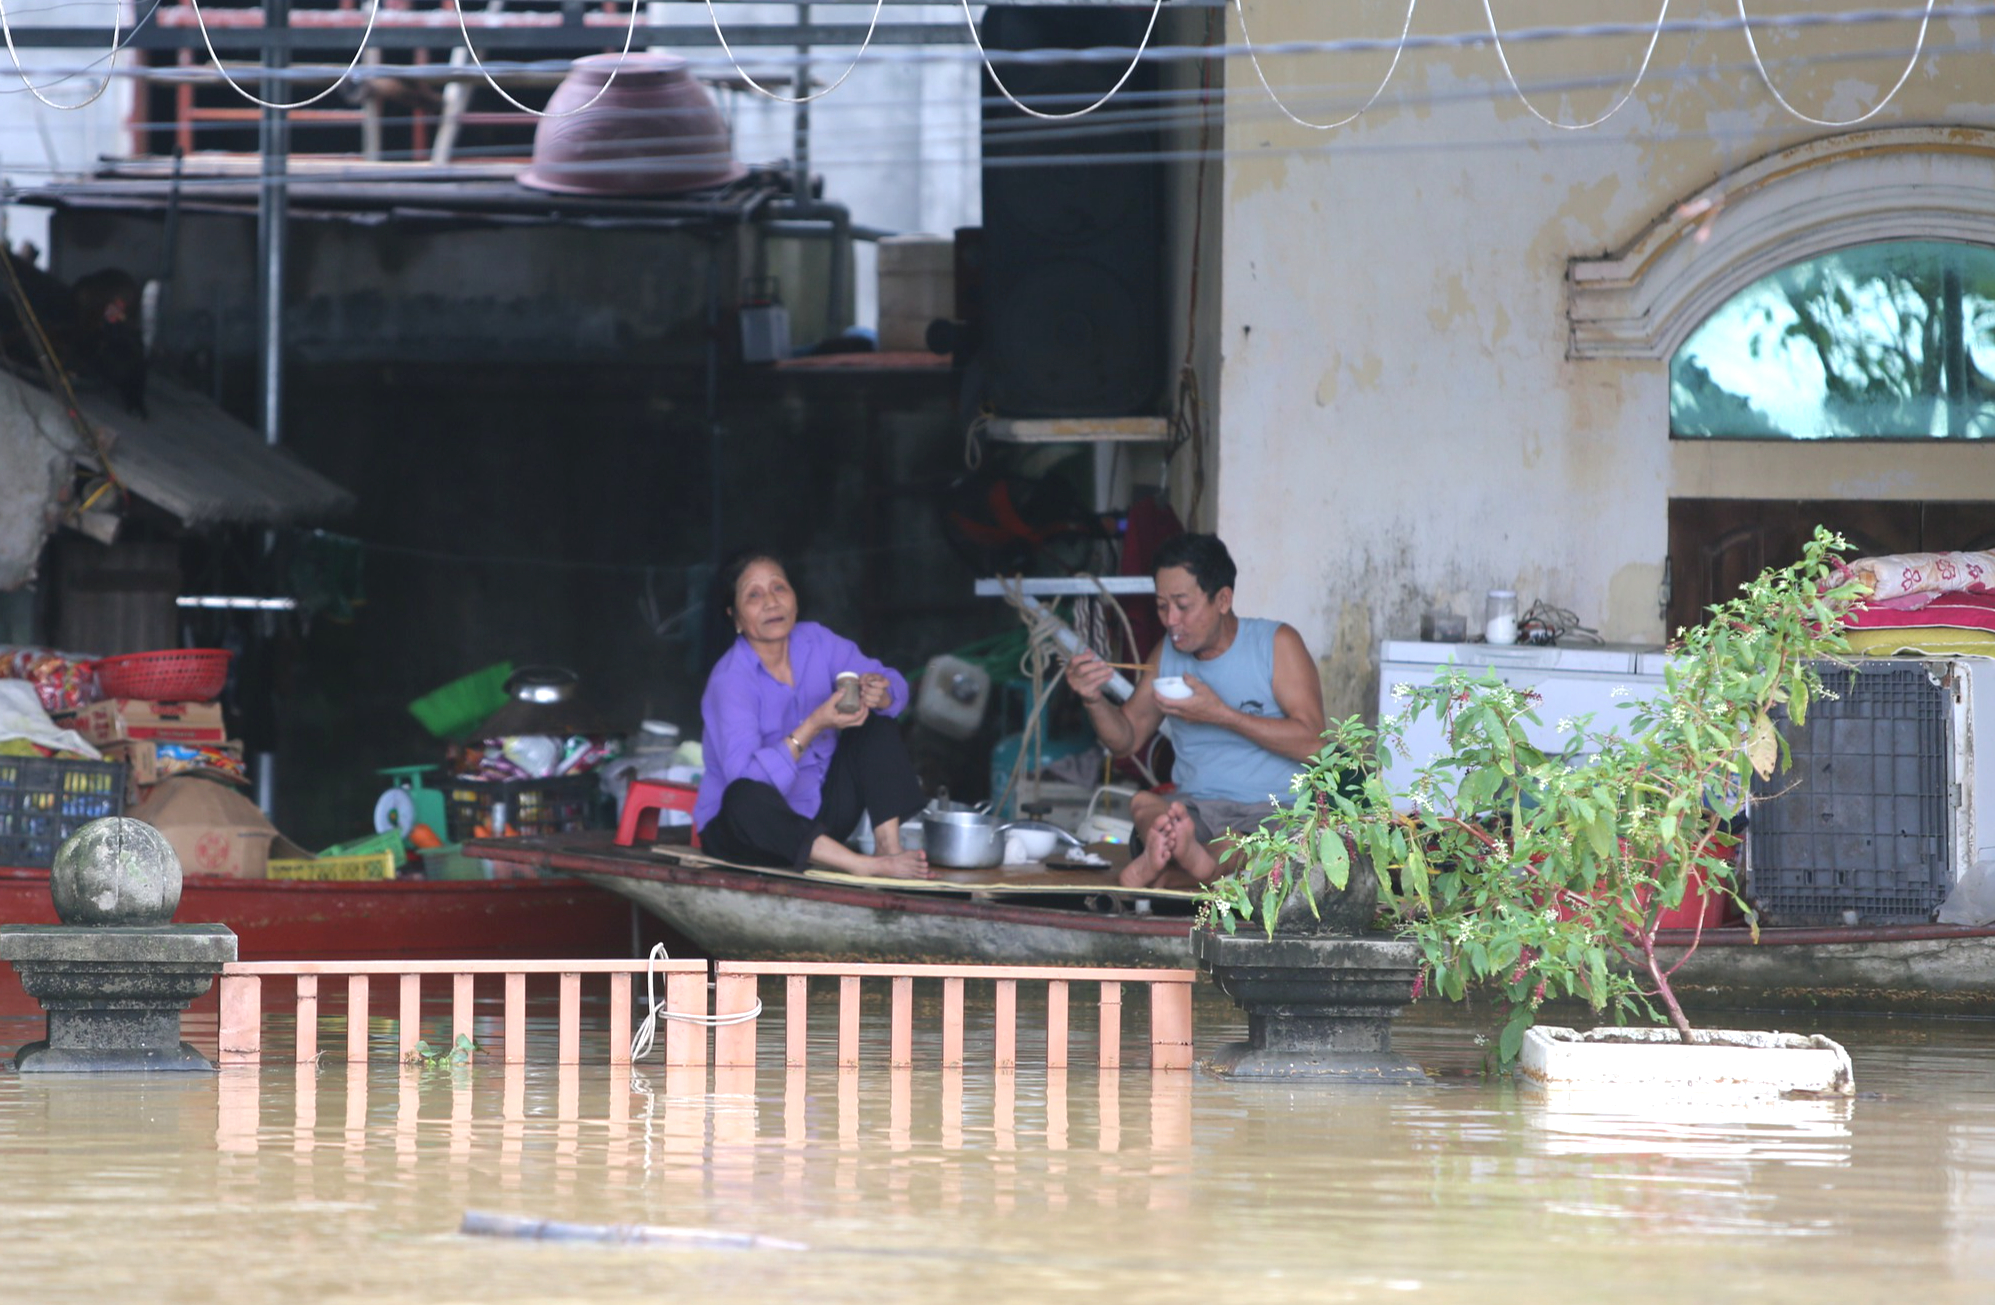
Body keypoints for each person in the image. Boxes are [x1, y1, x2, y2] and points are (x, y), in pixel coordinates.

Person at [1062, 533, 1326, 889]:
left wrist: (1222, 714)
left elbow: (1314, 744)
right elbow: (1125, 738)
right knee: (1144, 806)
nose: (1170, 620)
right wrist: (1094, 699)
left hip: (1272, 810)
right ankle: (1186, 860)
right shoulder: (1167, 654)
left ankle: (1179, 869)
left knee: (1250, 845)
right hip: (1195, 812)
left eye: (1183, 606)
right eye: (1161, 606)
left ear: (1222, 599)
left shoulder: (1276, 644)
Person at [694, 551, 930, 878]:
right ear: (735, 617)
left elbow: (892, 684)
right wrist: (814, 724)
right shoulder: (730, 680)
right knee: (743, 795)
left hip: (821, 819)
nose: (771, 602)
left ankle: (888, 848)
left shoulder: (817, 641)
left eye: (779, 588)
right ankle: (864, 866)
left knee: (876, 721)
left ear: (794, 597)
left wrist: (882, 691)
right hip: (751, 832)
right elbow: (747, 781)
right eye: (754, 595)